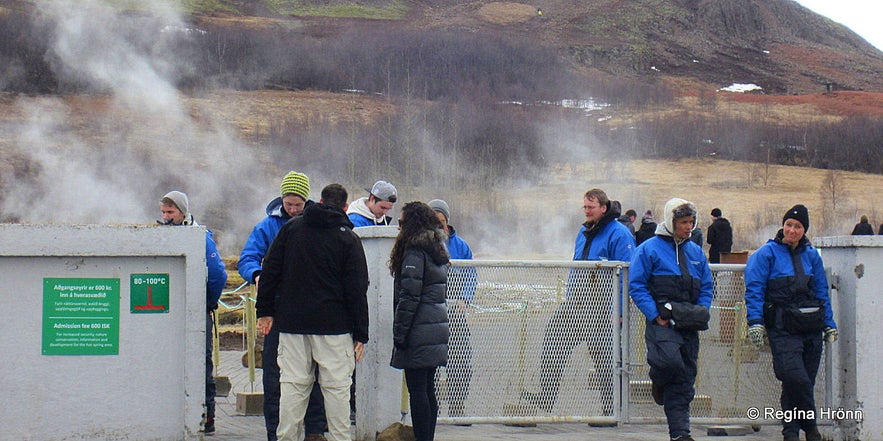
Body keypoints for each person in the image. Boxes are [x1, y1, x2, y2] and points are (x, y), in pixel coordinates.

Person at [256, 184, 369, 441]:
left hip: (292, 325)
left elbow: (270, 271)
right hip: (335, 328)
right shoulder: (348, 238)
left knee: (293, 388)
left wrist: (265, 311)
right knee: (337, 390)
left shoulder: (291, 229)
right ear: (345, 207)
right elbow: (357, 289)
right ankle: (340, 438)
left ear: (317, 201)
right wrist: (361, 332)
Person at [525, 189, 634, 418]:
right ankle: (546, 397)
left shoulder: (620, 235)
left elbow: (627, 275)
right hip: (576, 304)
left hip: (603, 308)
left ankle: (612, 410)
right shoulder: (583, 232)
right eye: (584, 207)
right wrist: (571, 296)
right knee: (553, 342)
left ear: (603, 208)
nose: (586, 211)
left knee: (606, 359)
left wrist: (620, 311)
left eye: (590, 207)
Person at [237, 171, 328, 441]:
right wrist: (256, 274)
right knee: (274, 375)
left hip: (312, 309)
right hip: (277, 311)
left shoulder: (319, 224)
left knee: (316, 372)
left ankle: (314, 431)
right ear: (282, 200)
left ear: (307, 201)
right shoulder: (267, 226)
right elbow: (248, 257)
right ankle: (274, 433)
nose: (293, 209)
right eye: (289, 204)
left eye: (298, 204)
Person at [744, 204, 838, 441]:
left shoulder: (812, 256)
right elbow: (754, 289)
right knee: (797, 379)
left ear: (804, 230)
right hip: (783, 328)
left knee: (796, 384)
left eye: (797, 226)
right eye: (789, 225)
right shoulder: (766, 254)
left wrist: (829, 322)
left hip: (811, 328)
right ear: (783, 225)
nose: (792, 230)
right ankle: (811, 427)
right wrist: (755, 321)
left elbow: (821, 292)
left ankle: (791, 433)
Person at [629, 197, 713, 441]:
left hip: (689, 322)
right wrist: (655, 315)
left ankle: (680, 433)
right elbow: (637, 285)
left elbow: (707, 286)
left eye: (691, 222)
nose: (689, 227)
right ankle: (658, 382)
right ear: (671, 221)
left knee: (686, 376)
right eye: (684, 222)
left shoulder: (696, 252)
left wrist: (701, 311)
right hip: (662, 323)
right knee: (668, 364)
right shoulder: (648, 249)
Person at [158, 190, 228, 435]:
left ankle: (206, 417)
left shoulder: (200, 237)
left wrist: (206, 302)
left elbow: (218, 275)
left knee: (201, 364)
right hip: (171, 312)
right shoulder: (161, 235)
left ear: (183, 212)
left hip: (197, 311)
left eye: (171, 212)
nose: (167, 217)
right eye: (164, 212)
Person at [389, 201, 451, 441]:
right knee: (428, 389)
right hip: (435, 328)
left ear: (411, 225)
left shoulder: (414, 252)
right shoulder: (436, 249)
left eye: (401, 223)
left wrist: (399, 334)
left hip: (418, 329)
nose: (398, 228)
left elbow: (409, 297)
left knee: (417, 391)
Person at [428, 199, 476, 423]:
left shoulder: (461, 246)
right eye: (433, 221)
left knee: (461, 361)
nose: (438, 226)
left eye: (441, 221)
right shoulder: (422, 244)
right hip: (430, 315)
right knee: (432, 364)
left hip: (455, 315)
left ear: (447, 222)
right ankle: (433, 408)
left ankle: (457, 406)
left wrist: (464, 299)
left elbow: (471, 275)